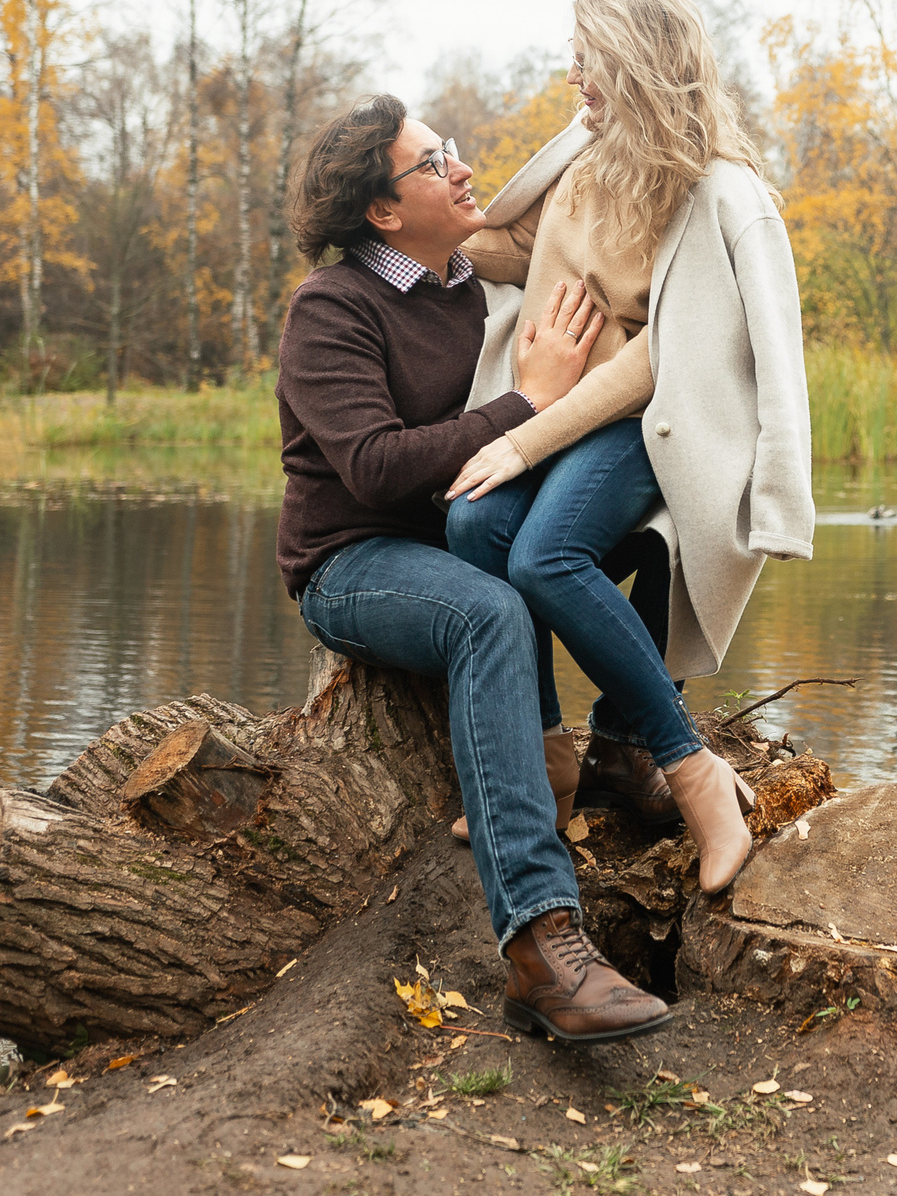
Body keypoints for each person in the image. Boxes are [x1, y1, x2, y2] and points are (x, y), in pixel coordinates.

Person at [275, 93, 673, 1045]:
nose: (460, 168)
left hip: (459, 533)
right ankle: (541, 946)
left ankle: (624, 747)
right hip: (353, 560)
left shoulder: (472, 287)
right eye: (431, 162)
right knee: (488, 611)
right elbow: (376, 466)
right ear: (382, 210)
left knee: (660, 521)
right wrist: (529, 400)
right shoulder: (330, 308)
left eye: (447, 149)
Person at [440, 0, 815, 896]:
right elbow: (521, 250)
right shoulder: (584, 160)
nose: (572, 78)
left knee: (545, 557)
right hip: (558, 408)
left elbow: (664, 357)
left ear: (636, 62)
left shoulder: (711, 190)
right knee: (474, 524)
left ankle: (694, 772)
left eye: (587, 59)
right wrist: (418, 224)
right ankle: (545, 759)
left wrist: (525, 435)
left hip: (648, 421)